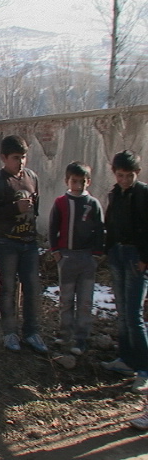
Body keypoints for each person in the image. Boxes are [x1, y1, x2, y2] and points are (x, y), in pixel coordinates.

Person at [0, 135, 47, 354]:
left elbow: (35, 207)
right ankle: (10, 333)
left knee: (31, 288)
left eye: (24, 157)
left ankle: (31, 332)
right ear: (4, 157)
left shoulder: (32, 177)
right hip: (6, 243)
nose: (21, 162)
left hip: (28, 242)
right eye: (16, 157)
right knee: (8, 289)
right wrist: (13, 209)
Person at [101, 150, 148, 394]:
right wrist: (108, 250)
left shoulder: (144, 194)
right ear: (114, 174)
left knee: (134, 315)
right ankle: (125, 360)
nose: (124, 180)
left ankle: (144, 369)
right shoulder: (115, 194)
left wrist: (145, 259)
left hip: (136, 258)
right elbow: (110, 223)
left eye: (129, 176)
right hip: (118, 255)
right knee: (121, 312)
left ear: (136, 174)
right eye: (120, 175)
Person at [48, 161, 104, 356]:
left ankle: (81, 337)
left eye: (82, 182)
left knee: (85, 300)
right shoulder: (60, 202)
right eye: (74, 181)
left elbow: (99, 230)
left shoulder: (93, 204)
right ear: (67, 180)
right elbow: (53, 227)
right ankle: (65, 333)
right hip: (67, 256)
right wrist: (56, 250)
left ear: (88, 182)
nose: (78, 186)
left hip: (86, 257)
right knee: (66, 299)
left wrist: (96, 255)